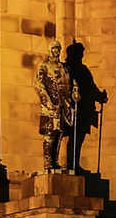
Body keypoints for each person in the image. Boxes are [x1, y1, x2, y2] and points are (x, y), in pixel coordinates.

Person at [65, 41, 108, 173]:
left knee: (78, 138)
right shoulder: (66, 68)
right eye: (80, 53)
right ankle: (69, 164)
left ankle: (74, 164)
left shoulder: (83, 69)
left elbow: (91, 87)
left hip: (84, 109)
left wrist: (100, 96)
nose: (82, 55)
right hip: (71, 108)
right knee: (71, 137)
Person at [34, 39, 74, 171]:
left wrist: (76, 91)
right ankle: (47, 161)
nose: (57, 51)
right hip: (50, 105)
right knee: (50, 132)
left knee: (60, 133)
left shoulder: (65, 68)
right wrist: (48, 102)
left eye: (58, 49)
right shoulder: (44, 65)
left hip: (64, 105)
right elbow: (39, 84)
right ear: (50, 50)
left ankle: (55, 160)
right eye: (54, 48)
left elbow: (72, 83)